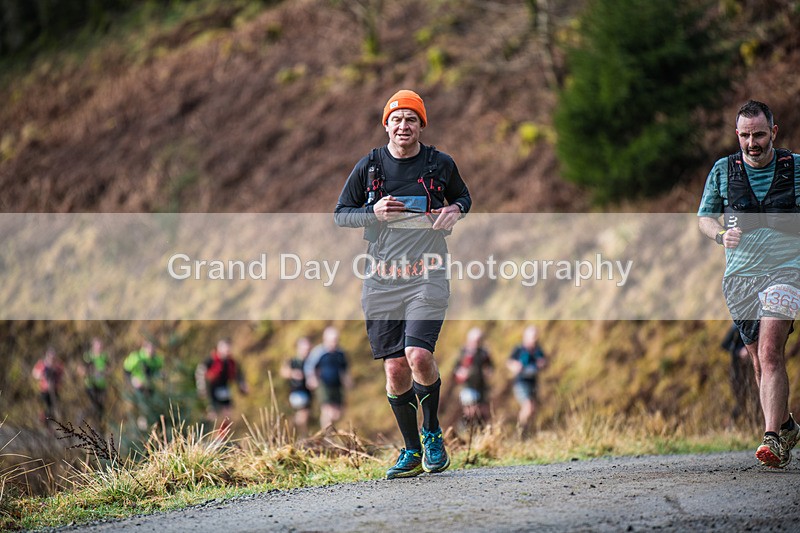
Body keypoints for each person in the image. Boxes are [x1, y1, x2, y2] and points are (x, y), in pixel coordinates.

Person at [334, 89, 471, 479]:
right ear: (386, 125)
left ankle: (431, 432)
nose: (403, 125)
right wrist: (371, 211)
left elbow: (464, 197)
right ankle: (411, 450)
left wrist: (455, 209)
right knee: (395, 370)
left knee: (418, 356)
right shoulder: (370, 167)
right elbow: (341, 214)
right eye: (396, 119)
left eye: (411, 119)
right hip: (381, 281)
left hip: (427, 273)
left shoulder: (439, 164)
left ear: (421, 124)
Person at [698, 99, 800, 468]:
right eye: (744, 135)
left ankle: (772, 439)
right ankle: (786, 425)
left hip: (788, 270)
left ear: (773, 132)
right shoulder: (724, 170)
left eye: (758, 134)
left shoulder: (795, 168)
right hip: (740, 278)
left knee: (771, 352)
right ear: (736, 135)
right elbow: (704, 218)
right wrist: (719, 234)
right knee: (758, 361)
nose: (752, 142)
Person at [195, 338, 249, 435]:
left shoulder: (231, 362)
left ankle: (221, 438)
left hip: (224, 389)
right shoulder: (211, 360)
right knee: (212, 416)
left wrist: (242, 386)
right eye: (224, 348)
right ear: (219, 348)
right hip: (212, 390)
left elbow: (238, 375)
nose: (227, 351)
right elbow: (200, 372)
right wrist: (201, 388)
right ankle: (205, 436)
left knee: (227, 416)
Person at [304, 326, 351, 430]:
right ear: (325, 339)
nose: (334, 343)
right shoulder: (319, 352)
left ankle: (333, 432)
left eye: (336, 340)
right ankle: (327, 436)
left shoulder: (340, 353)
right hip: (323, 384)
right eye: (332, 340)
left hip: (337, 384)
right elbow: (309, 366)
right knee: (327, 411)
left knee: (337, 414)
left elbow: (344, 369)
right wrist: (311, 378)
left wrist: (348, 381)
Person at [507, 325, 547, 435]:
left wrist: (542, 364)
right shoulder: (519, 349)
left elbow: (544, 363)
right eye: (533, 337)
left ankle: (528, 431)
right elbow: (509, 362)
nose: (535, 339)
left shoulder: (538, 350)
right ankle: (520, 430)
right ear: (526, 337)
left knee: (533, 409)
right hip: (521, 383)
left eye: (536, 336)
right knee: (528, 406)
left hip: (533, 383)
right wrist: (515, 366)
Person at [452, 327, 493, 428]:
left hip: (481, 385)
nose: (477, 343)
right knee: (470, 410)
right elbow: (456, 368)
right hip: (467, 386)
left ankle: (480, 432)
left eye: (479, 340)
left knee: (483, 410)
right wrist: (461, 373)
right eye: (475, 340)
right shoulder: (463, 352)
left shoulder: (483, 353)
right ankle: (464, 428)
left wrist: (488, 372)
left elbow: (490, 366)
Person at [721, 323, 760, 426]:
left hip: (753, 371)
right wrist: (739, 352)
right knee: (741, 401)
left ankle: (757, 427)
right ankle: (731, 425)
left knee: (757, 399)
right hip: (738, 371)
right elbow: (724, 344)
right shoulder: (736, 327)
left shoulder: (759, 326)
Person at [123, 340, 164, 430]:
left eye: (153, 349)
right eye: (149, 348)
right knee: (143, 408)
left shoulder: (156, 359)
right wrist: (132, 381)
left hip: (151, 388)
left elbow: (159, 372)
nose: (152, 351)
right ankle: (142, 428)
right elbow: (126, 370)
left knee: (152, 407)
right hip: (138, 388)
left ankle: (153, 426)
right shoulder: (136, 357)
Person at [280, 336, 313, 438]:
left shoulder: (311, 361)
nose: (306, 351)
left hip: (308, 393)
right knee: (302, 415)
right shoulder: (293, 361)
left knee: (305, 416)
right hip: (297, 393)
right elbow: (283, 372)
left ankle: (300, 434)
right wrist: (293, 374)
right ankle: (302, 436)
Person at [31, 347, 64, 424]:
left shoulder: (57, 365)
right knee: (45, 406)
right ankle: (43, 420)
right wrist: (42, 375)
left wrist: (58, 378)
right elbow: (34, 373)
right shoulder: (42, 364)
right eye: (50, 356)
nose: (51, 358)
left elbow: (62, 375)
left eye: (53, 357)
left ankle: (51, 423)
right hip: (44, 390)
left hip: (55, 390)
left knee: (53, 407)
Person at [81, 337, 110, 424]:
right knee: (95, 405)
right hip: (91, 384)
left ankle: (100, 427)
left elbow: (109, 368)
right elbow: (82, 369)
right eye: (98, 346)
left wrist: (104, 371)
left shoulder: (104, 356)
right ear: (93, 346)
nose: (100, 348)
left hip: (102, 384)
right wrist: (91, 371)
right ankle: (85, 418)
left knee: (101, 407)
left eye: (101, 346)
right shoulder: (88, 356)